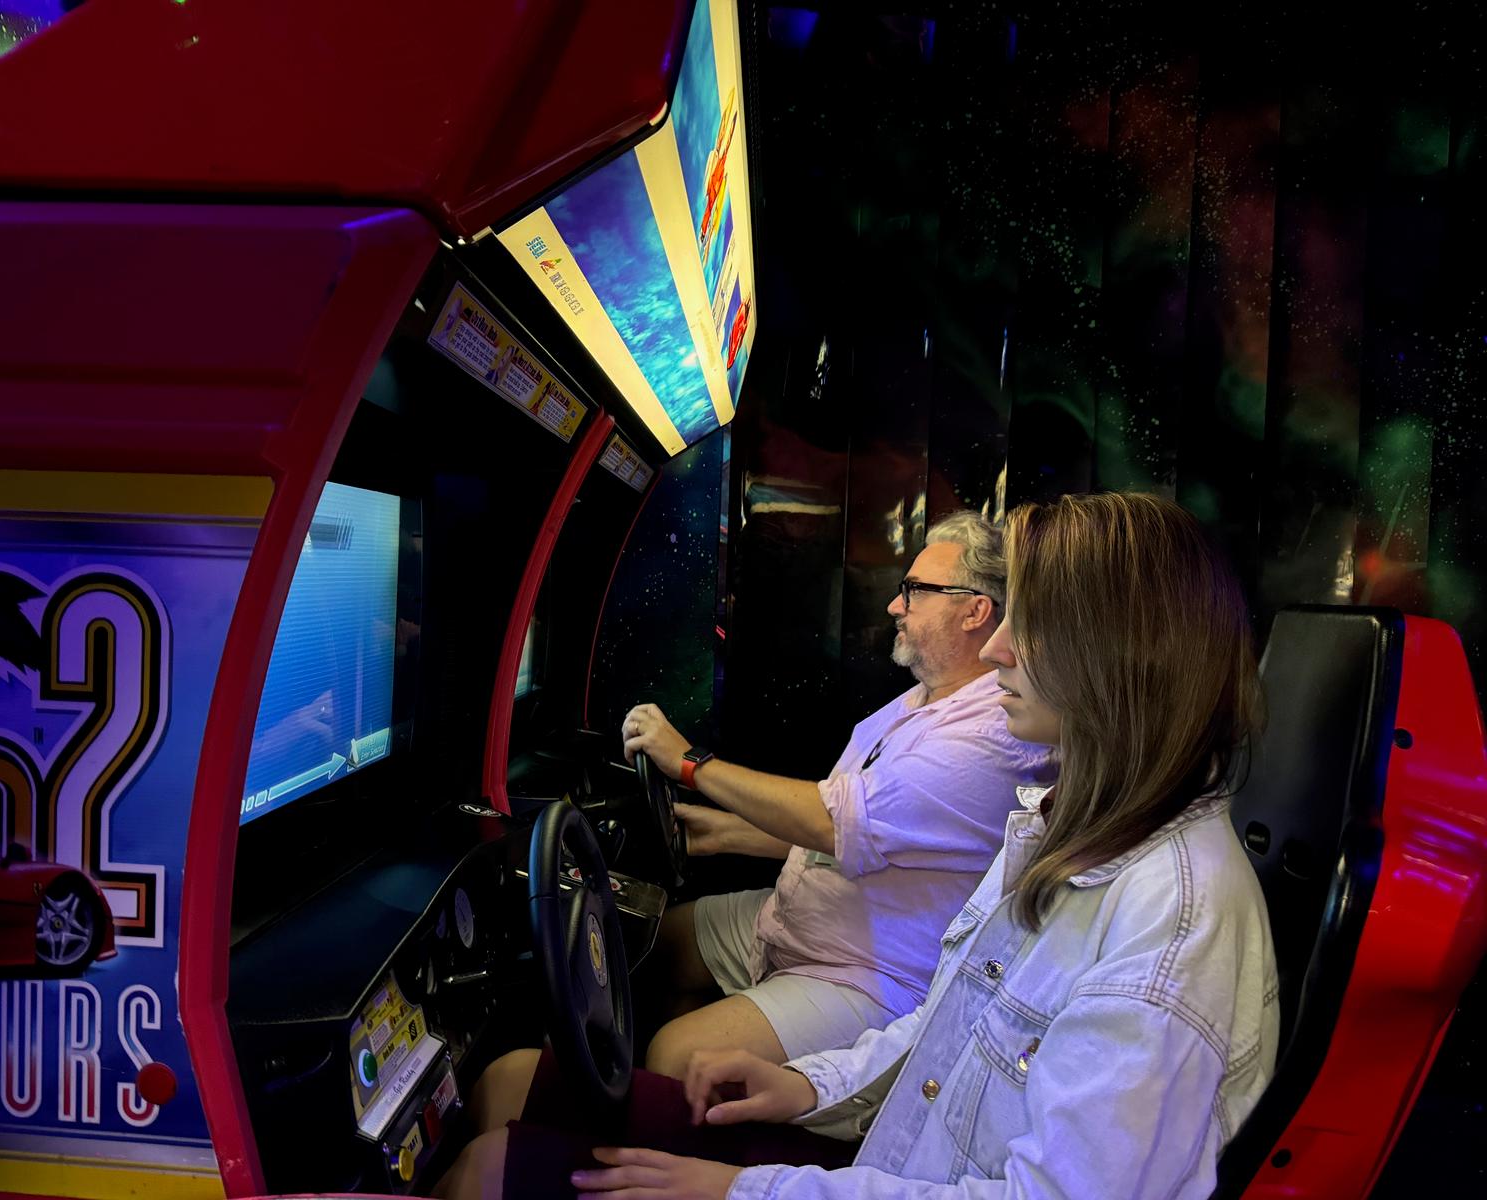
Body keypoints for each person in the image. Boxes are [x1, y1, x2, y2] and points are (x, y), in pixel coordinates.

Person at [436, 491, 1278, 1200]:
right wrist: (811, 1086)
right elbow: (950, 1028)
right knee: (506, 1082)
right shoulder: (1063, 821)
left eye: (1030, 622)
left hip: (878, 1145)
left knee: (487, 1170)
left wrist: (742, 1191)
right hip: (890, 1147)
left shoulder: (1173, 921)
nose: (997, 648)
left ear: (1120, 655)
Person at [626, 511, 1055, 1078]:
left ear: (975, 611)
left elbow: (834, 823)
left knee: (676, 1054)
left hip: (870, 973)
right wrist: (728, 834)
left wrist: (690, 765)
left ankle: (697, 1118)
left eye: (915, 591)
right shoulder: (922, 699)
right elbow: (869, 829)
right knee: (658, 941)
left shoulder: (988, 735)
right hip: (801, 924)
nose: (895, 606)